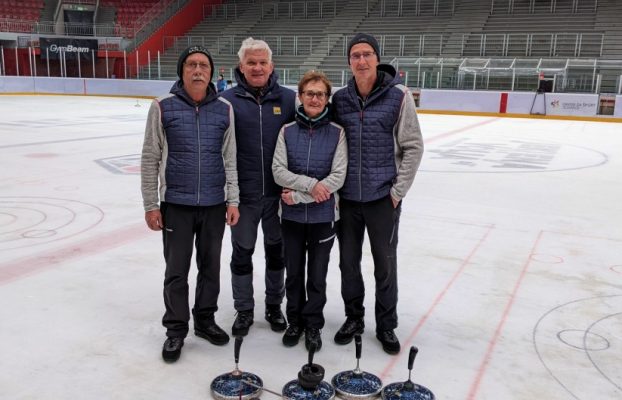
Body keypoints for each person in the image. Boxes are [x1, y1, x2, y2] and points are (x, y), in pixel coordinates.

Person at [141, 45, 240, 363]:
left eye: (204, 66)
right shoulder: (163, 107)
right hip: (176, 205)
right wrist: (150, 203)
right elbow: (150, 157)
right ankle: (175, 329)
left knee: (210, 267)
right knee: (176, 271)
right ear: (182, 71)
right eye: (191, 65)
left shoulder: (224, 109)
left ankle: (205, 320)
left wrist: (233, 199)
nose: (198, 70)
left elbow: (231, 158)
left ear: (211, 73)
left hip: (213, 204)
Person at [331, 33, 424, 355]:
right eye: (355, 55)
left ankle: (386, 325)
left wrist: (397, 192)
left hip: (383, 199)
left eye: (367, 54)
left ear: (377, 58)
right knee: (348, 264)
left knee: (384, 265)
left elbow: (413, 146)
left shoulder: (398, 96)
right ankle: (353, 317)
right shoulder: (340, 99)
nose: (361, 60)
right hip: (346, 200)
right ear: (349, 62)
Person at [221, 37, 296, 337]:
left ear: (272, 65)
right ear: (241, 66)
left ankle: (274, 307)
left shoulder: (289, 100)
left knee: (277, 254)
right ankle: (244, 310)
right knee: (242, 253)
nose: (257, 67)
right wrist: (230, 196)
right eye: (251, 62)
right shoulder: (226, 100)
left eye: (262, 62)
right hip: (244, 197)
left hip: (279, 197)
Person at [272, 71, 347, 351]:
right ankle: (295, 321)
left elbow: (338, 176)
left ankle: (313, 324)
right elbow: (278, 171)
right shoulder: (287, 131)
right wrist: (312, 186)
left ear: (327, 99)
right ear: (300, 97)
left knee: (316, 275)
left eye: (321, 94)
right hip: (290, 218)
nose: (315, 98)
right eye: (309, 93)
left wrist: (300, 195)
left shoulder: (338, 133)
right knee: (293, 274)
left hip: (323, 218)